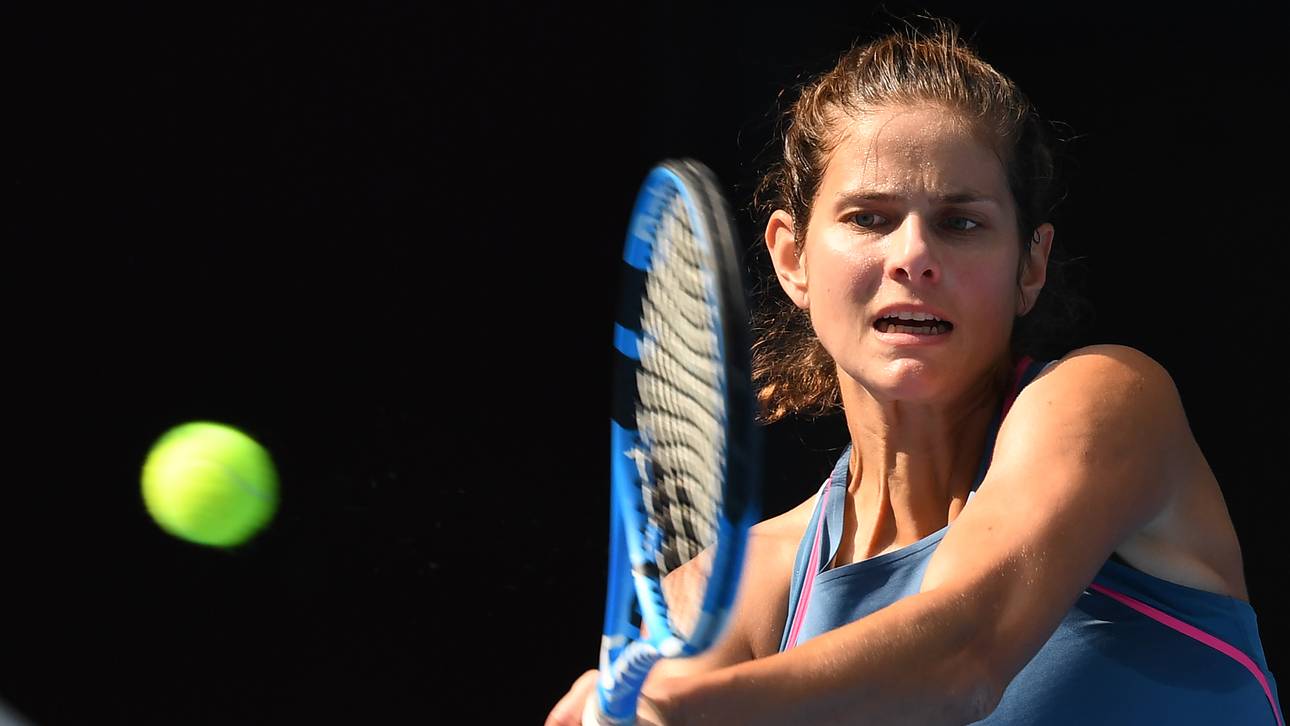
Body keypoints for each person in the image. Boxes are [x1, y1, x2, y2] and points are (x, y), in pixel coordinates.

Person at [548, 19, 1282, 725]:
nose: (914, 255)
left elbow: (961, 658)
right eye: (869, 217)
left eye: (961, 222)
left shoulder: (1115, 402)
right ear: (791, 256)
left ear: (1030, 265)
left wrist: (688, 710)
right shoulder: (728, 596)